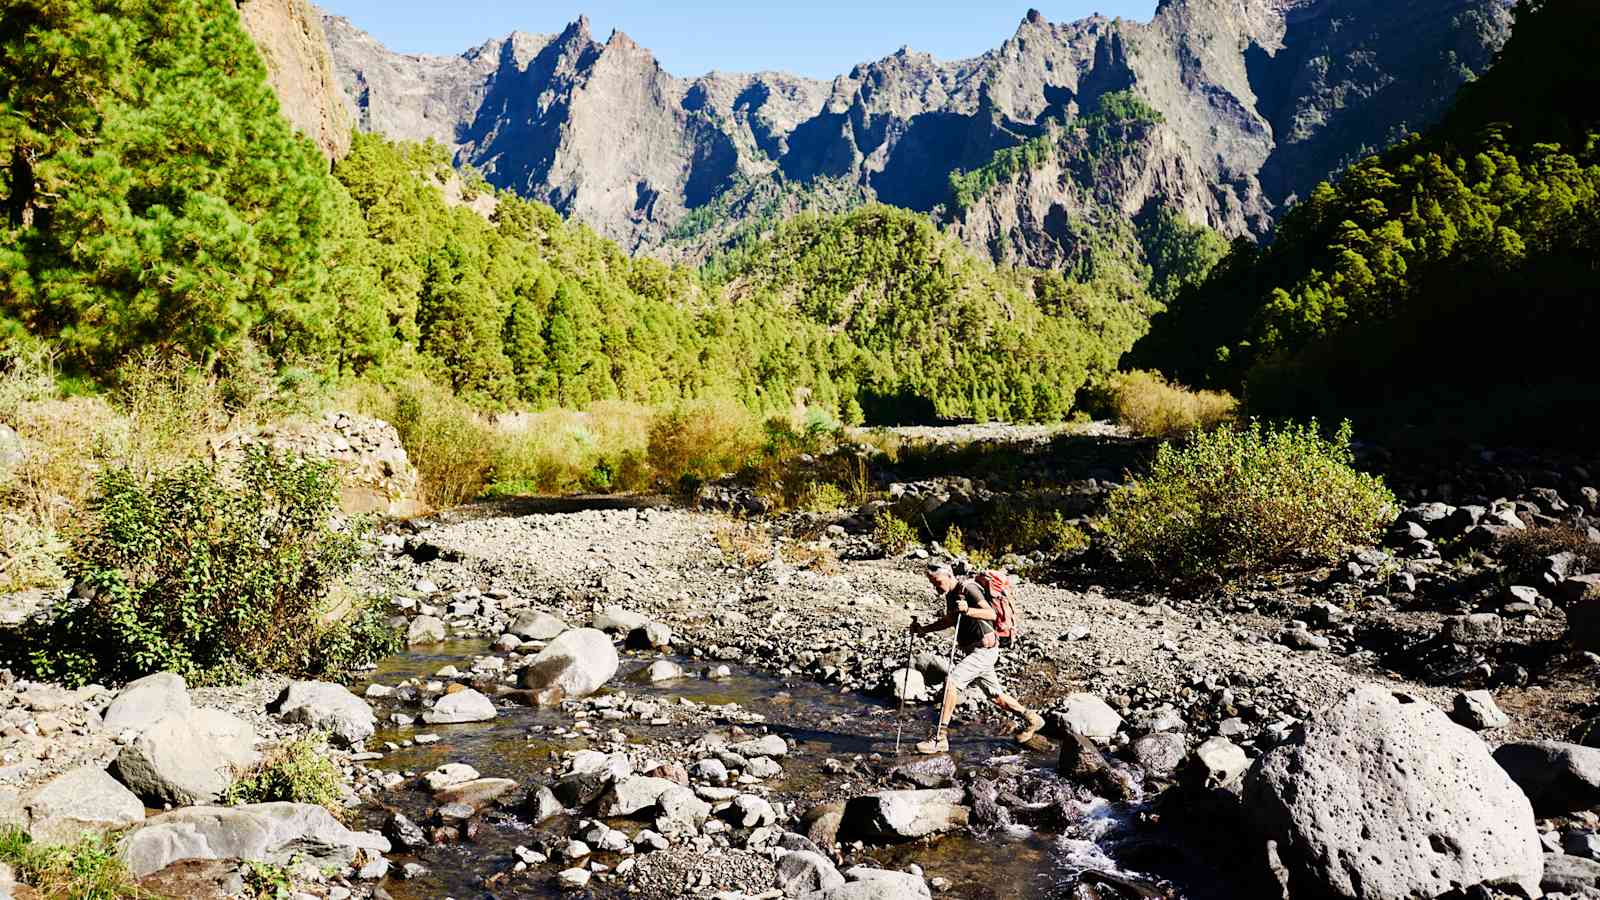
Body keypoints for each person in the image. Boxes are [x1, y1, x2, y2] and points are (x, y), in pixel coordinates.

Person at [909, 562, 1045, 753]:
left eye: (937, 582)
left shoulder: (969, 588)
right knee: (996, 697)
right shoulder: (951, 595)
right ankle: (1031, 718)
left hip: (984, 650)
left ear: (949, 575)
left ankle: (940, 738)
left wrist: (968, 610)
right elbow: (949, 620)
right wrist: (924, 629)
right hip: (976, 652)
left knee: (951, 682)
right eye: (932, 583)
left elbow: (991, 614)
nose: (936, 587)